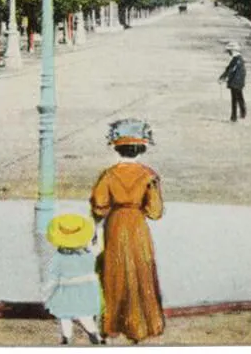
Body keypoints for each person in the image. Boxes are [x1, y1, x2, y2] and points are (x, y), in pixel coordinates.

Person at [90, 119, 165, 344]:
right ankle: (140, 325)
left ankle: (112, 325)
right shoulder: (149, 175)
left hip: (115, 225)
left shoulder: (109, 174)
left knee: (114, 271)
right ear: (141, 148)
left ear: (116, 147)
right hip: (137, 226)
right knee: (140, 270)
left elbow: (99, 205)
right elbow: (155, 211)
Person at [44, 213, 106, 346]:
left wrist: (48, 290)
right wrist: (99, 231)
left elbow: (53, 274)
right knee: (85, 315)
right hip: (86, 288)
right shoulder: (88, 254)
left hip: (65, 289)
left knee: (64, 315)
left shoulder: (58, 257)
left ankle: (66, 337)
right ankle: (94, 334)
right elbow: (99, 249)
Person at [218, 41, 247, 122]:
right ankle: (242, 113)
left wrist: (223, 78)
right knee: (240, 97)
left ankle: (234, 116)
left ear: (233, 51)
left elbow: (230, 70)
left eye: (229, 51)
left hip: (235, 82)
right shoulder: (239, 59)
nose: (229, 53)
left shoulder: (236, 60)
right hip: (239, 82)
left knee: (234, 99)